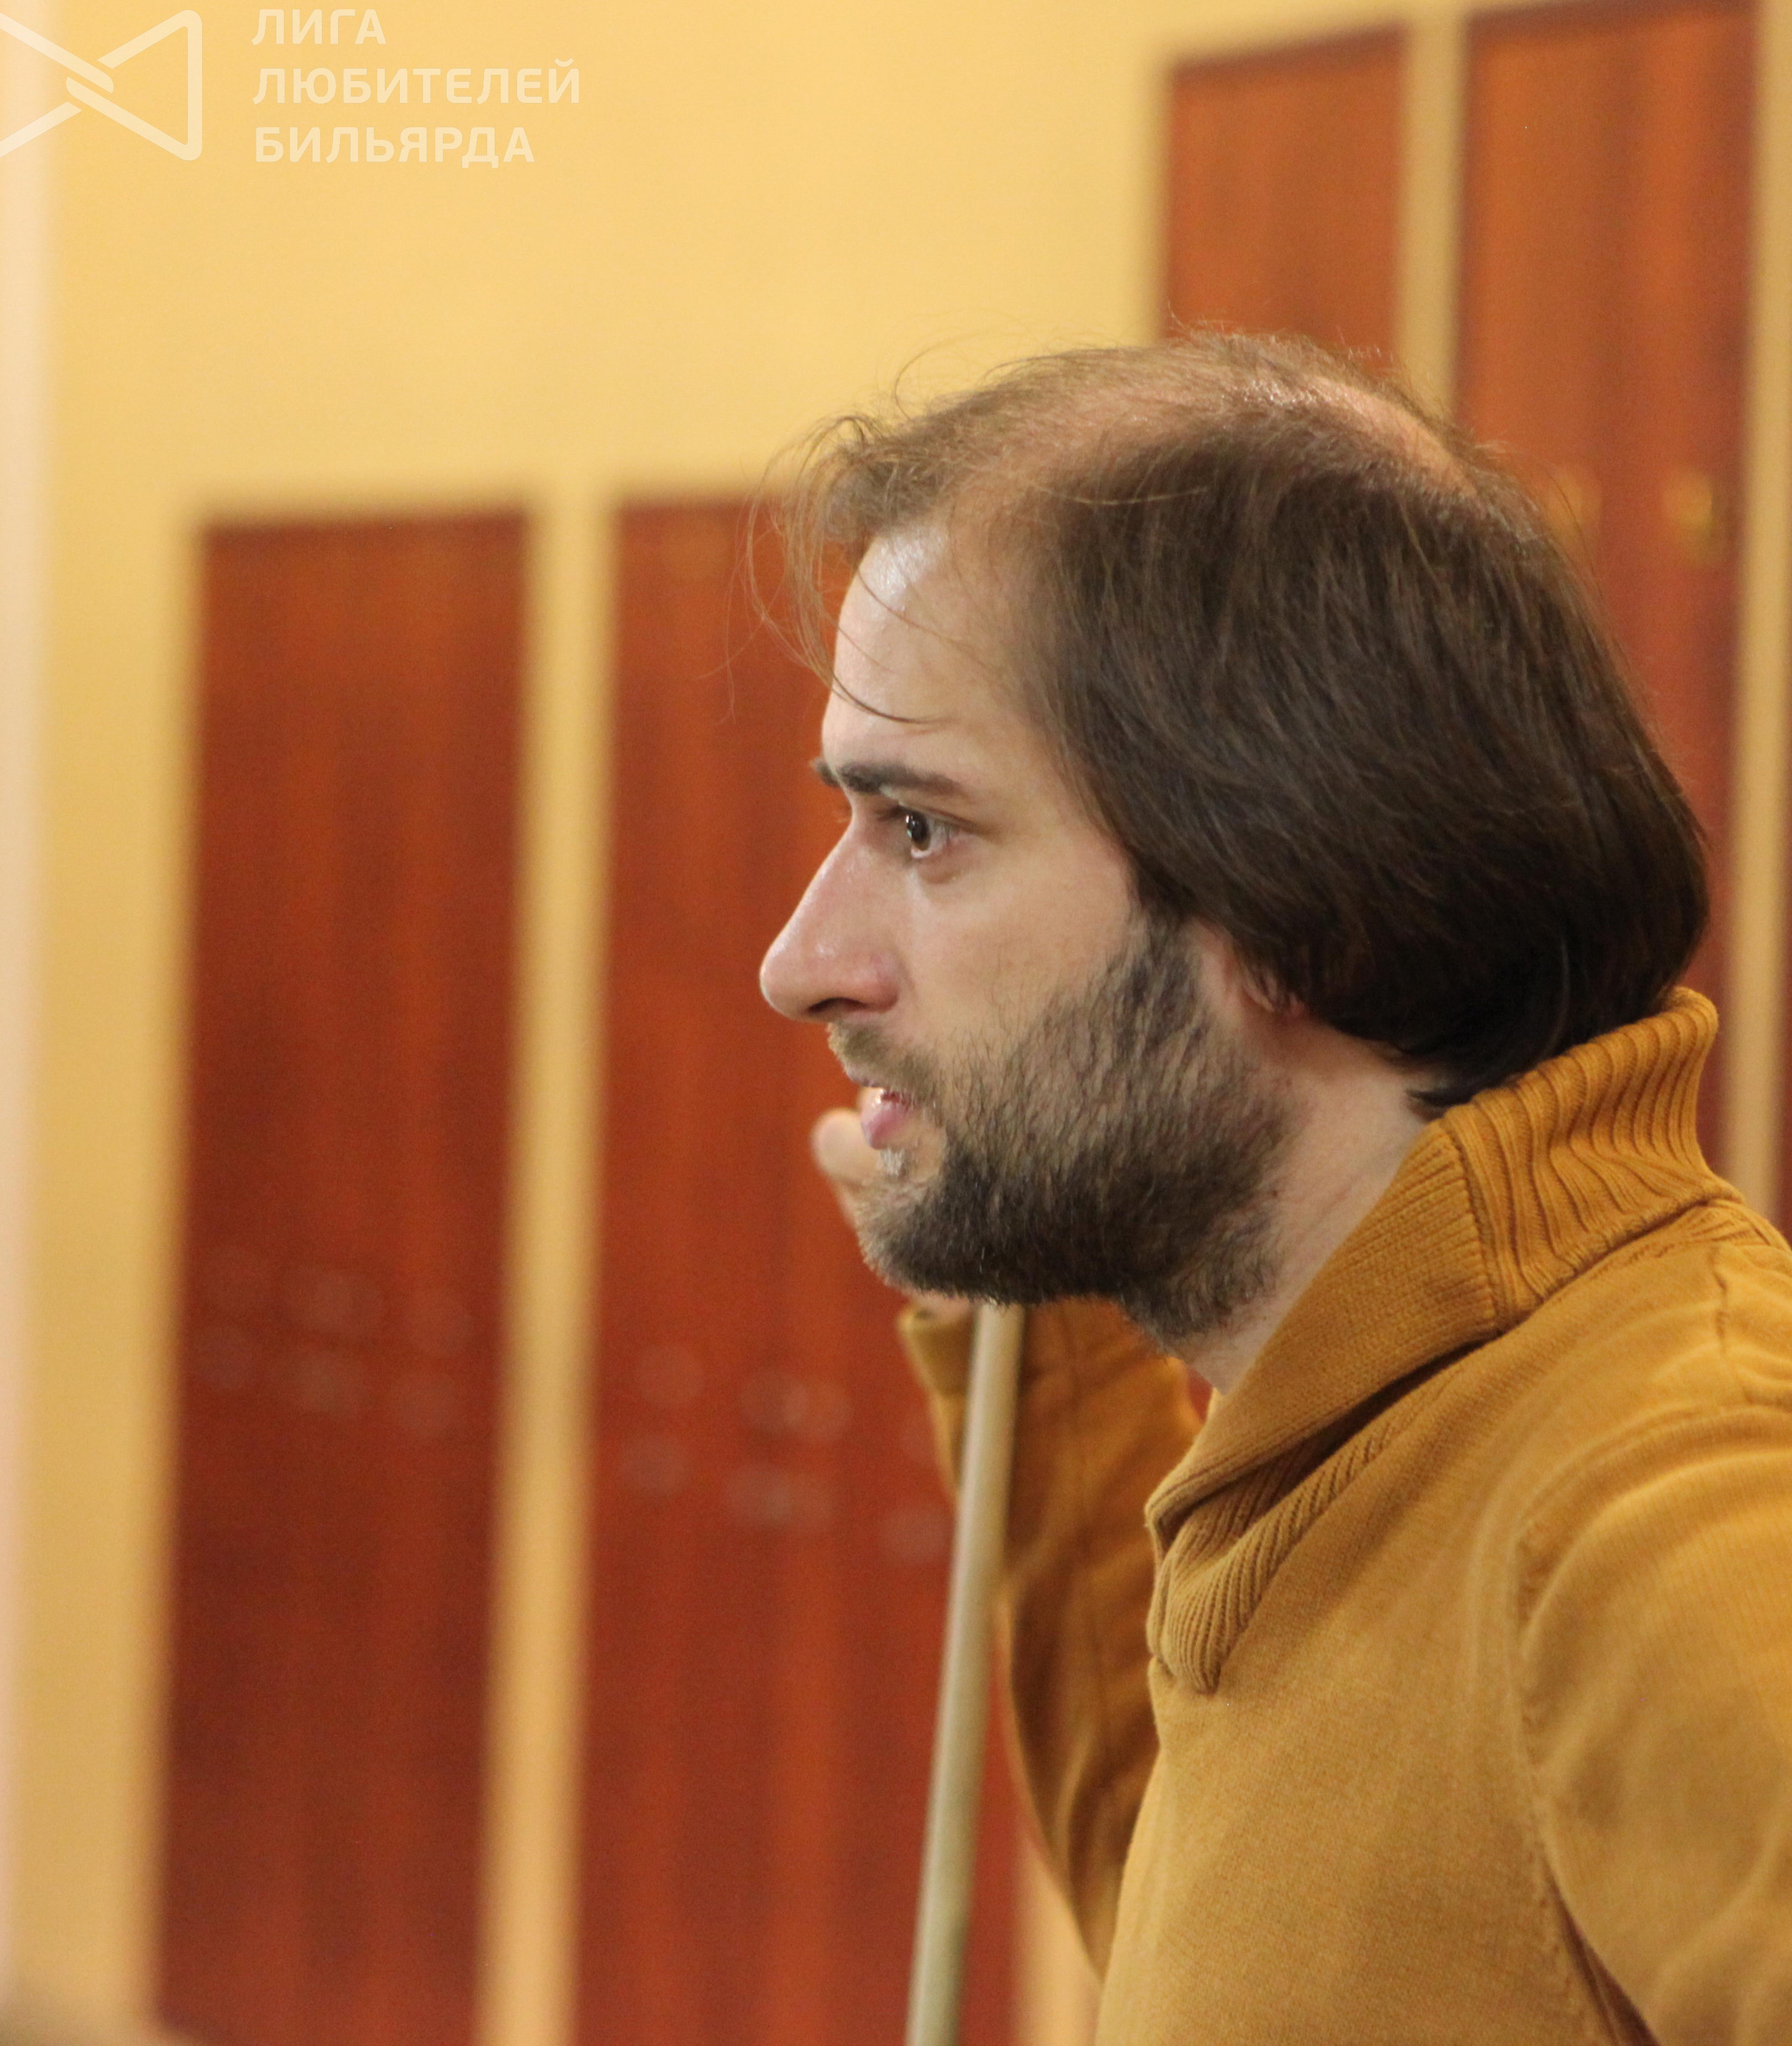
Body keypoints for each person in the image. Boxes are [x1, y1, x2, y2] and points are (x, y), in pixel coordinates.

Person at [757, 333, 1792, 2044]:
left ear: (1305, 910)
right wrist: (1021, 1295)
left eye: (923, 830)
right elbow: (1264, 1941)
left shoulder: (1671, 1499)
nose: (802, 963)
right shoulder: (1363, 1412)